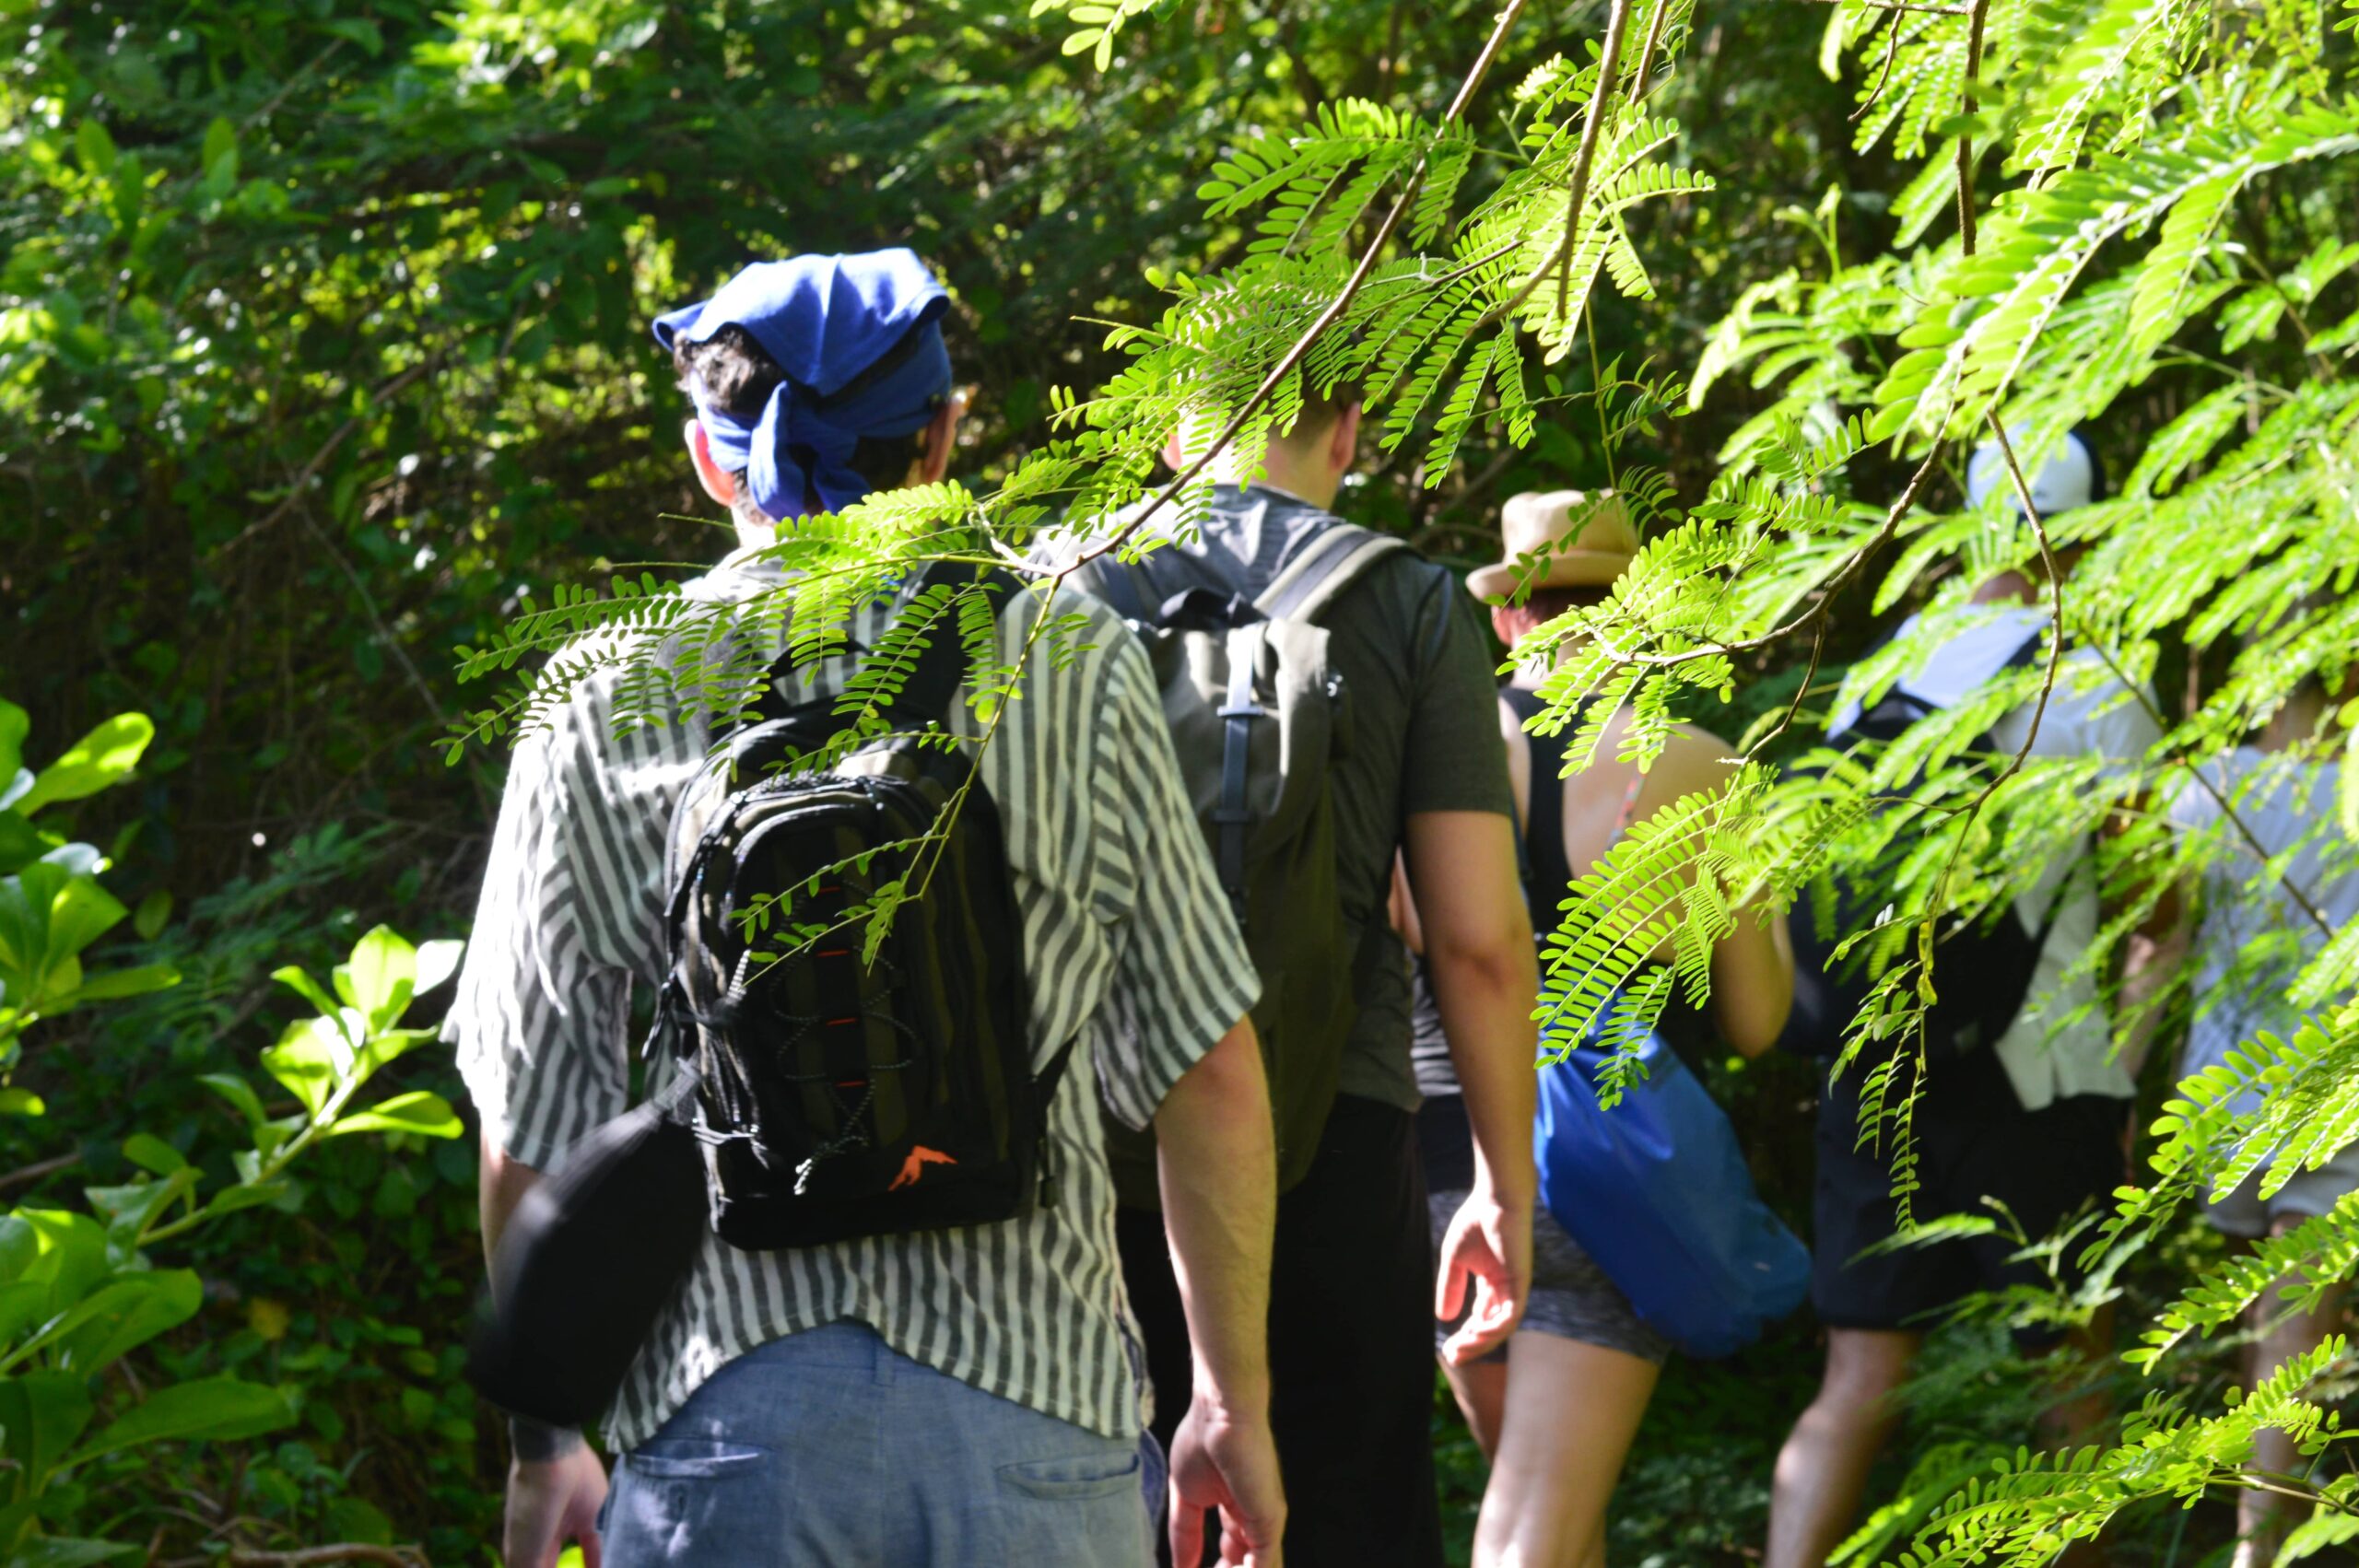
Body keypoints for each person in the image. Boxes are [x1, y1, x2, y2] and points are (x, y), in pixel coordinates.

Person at [445, 249, 1286, 1568]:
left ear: (710, 460)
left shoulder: (598, 698)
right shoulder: (1072, 659)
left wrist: (547, 1440)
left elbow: (529, 1124)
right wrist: (1229, 1401)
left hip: (727, 1436)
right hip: (1040, 1423)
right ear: (940, 442)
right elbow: (1210, 1070)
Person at [1048, 388, 1541, 1566]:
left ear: (1172, 431)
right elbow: (1477, 940)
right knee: (1348, 1518)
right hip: (1339, 1133)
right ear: (1347, 431)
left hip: (1107, 1159)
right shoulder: (1411, 600)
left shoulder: (1068, 589)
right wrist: (1503, 1186)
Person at [1766, 432, 2162, 1568]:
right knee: (2070, 1373)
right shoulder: (2094, 675)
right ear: (2079, 530)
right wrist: (2130, 1078)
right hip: (2041, 1076)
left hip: (1876, 1068)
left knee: (1858, 1375)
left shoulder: (1886, 671)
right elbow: (2153, 903)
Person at [1402, 490, 1794, 1568]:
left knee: (1552, 1520)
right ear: (1644, 614)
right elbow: (1757, 1021)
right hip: (1600, 1176)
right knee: (1533, 1534)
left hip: (1440, 1166)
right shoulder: (1704, 766)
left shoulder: (1441, 750)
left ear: (1505, 618)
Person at [2158, 673, 2359, 1568]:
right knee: (2295, 1306)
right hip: (2336, 1082)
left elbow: (2158, 946)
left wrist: (2125, 1087)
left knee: (2263, 1306)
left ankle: (2261, 1513)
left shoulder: (2204, 785)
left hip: (2223, 1089)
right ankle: (2259, 1544)